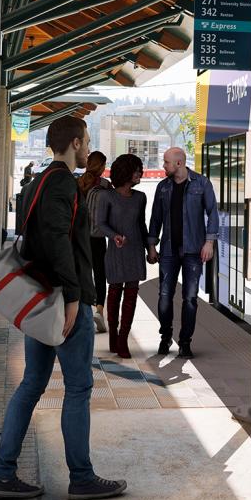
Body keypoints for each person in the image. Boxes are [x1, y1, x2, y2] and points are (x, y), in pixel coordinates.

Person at [0, 115, 126, 500]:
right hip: (64, 302)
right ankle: (81, 477)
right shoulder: (62, 182)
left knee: (33, 383)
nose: (87, 145)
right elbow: (57, 241)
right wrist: (71, 297)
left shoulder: (35, 183)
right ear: (76, 143)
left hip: (43, 299)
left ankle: (4, 471)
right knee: (79, 387)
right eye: (86, 140)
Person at [148, 147, 219, 359]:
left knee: (189, 298)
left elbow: (212, 212)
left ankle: (185, 342)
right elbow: (155, 218)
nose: (163, 166)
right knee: (164, 295)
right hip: (168, 250)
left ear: (178, 164)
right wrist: (152, 245)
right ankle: (165, 336)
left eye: (166, 162)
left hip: (193, 250)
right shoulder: (163, 187)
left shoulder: (201, 183)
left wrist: (209, 243)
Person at [93, 154, 149, 359]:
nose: (140, 174)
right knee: (115, 292)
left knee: (132, 296)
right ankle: (114, 335)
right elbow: (101, 223)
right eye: (136, 170)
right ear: (125, 172)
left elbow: (141, 225)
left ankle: (123, 339)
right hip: (115, 251)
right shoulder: (106, 196)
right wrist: (114, 236)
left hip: (135, 250)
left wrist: (150, 247)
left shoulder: (140, 197)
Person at [78, 151, 110, 334]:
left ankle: (84, 311)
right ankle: (99, 310)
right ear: (102, 166)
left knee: (83, 273)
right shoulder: (105, 186)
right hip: (99, 237)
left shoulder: (78, 183)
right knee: (100, 274)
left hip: (81, 237)